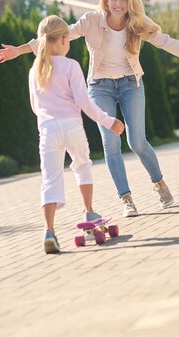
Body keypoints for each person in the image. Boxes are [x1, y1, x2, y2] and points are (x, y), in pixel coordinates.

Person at [0, 0, 179, 218]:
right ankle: (126, 199)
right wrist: (18, 51)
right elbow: (58, 34)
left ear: (131, 1)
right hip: (99, 86)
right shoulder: (91, 21)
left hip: (130, 84)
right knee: (111, 143)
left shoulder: (137, 23)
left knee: (138, 142)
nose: (118, 3)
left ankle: (159, 183)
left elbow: (165, 41)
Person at [27, 15, 124, 254]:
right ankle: (88, 209)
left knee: (50, 179)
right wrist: (108, 120)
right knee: (82, 165)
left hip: (47, 130)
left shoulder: (34, 70)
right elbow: (83, 101)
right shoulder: (70, 65)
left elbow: (34, 107)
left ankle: (49, 230)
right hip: (71, 125)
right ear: (62, 39)